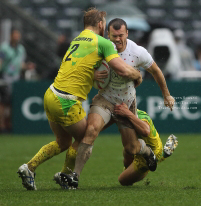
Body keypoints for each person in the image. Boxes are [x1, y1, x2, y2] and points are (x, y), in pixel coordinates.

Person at [17, 8, 142, 190]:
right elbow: (122, 69)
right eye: (104, 24)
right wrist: (137, 75)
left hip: (51, 93)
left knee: (64, 142)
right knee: (86, 137)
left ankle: (29, 168)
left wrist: (92, 75)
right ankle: (66, 176)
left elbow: (74, 68)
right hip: (66, 101)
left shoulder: (77, 40)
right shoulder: (102, 43)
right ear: (100, 24)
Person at [58, 18, 175, 189]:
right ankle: (74, 177)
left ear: (127, 33)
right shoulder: (102, 47)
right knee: (90, 131)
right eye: (114, 36)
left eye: (121, 35)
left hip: (126, 103)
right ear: (108, 34)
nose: (118, 39)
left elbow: (156, 71)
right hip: (105, 99)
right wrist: (92, 75)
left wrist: (166, 95)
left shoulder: (138, 52)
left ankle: (147, 151)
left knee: (131, 148)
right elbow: (81, 66)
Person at [114, 103, 178, 185]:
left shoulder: (140, 116)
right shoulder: (119, 112)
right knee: (127, 150)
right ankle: (131, 173)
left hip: (150, 153)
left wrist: (128, 114)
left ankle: (161, 157)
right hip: (139, 146)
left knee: (123, 181)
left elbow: (145, 131)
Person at [0, 27, 34, 132]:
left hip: (16, 78)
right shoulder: (4, 48)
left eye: (18, 35)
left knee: (12, 103)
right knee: (3, 102)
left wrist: (27, 66)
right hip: (5, 76)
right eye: (15, 35)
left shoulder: (21, 49)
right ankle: (1, 126)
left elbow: (20, 64)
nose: (16, 37)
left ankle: (10, 124)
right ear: (11, 36)